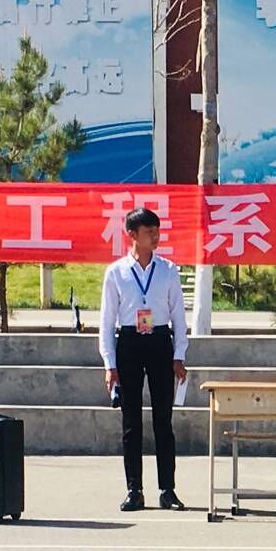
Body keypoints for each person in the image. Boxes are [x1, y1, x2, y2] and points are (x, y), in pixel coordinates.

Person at [99, 206, 188, 512]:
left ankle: (168, 489)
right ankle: (134, 489)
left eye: (157, 232)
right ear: (132, 235)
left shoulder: (168, 270)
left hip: (160, 341)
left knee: (163, 420)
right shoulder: (116, 272)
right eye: (149, 232)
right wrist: (110, 363)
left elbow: (178, 315)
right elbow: (106, 320)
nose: (155, 237)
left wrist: (179, 355)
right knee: (131, 422)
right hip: (129, 342)